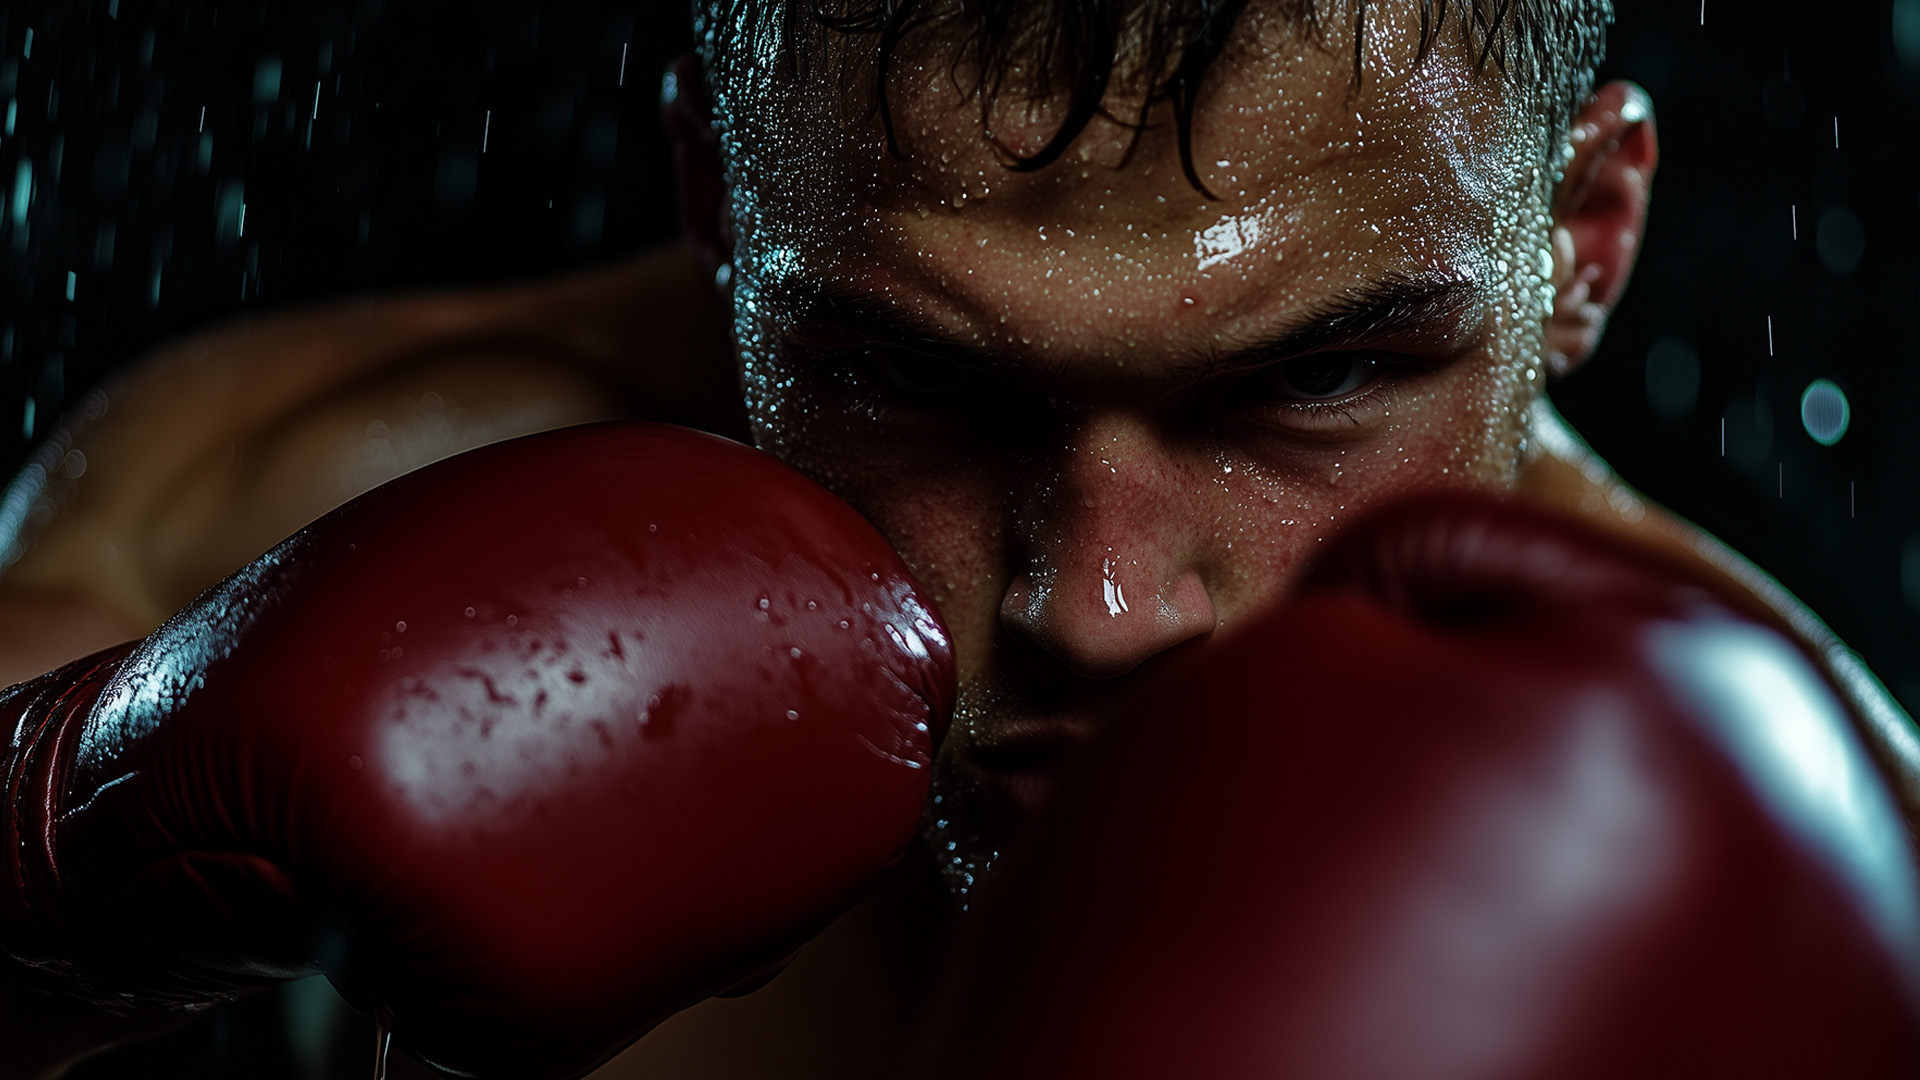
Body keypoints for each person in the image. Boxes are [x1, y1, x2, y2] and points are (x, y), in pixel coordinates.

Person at [2, 1, 1915, 1076]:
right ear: (713, 200)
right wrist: (79, 844)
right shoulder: (286, 497)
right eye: (916, 381)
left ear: (1582, 239)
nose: (1089, 602)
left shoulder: (1832, 901)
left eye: (1309, 383)